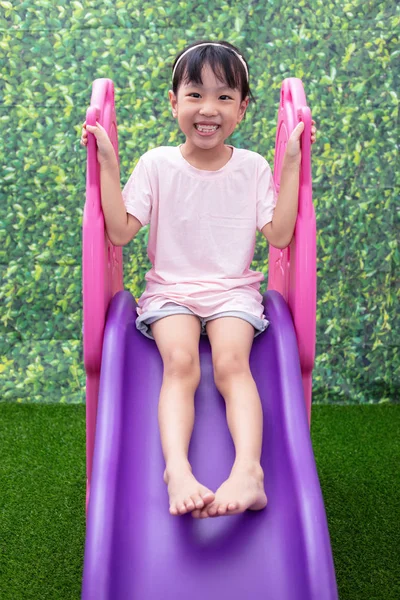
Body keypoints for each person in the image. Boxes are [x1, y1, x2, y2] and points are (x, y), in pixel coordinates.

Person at [80, 40, 317, 519]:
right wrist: (106, 164)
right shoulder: (157, 164)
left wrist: (291, 166)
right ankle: (177, 470)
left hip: (233, 292)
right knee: (181, 363)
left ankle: (249, 470)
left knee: (233, 364)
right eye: (195, 94)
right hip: (171, 293)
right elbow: (122, 230)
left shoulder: (253, 167)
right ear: (174, 102)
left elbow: (282, 232)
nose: (208, 109)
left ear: (243, 109)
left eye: (224, 96)